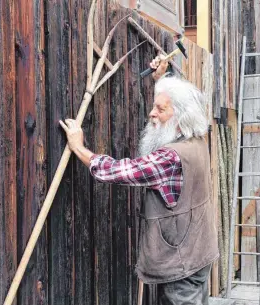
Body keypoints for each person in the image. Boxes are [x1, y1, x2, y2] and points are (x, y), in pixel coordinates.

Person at [60, 55, 219, 305]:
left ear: (180, 118)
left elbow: (119, 171)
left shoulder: (171, 158)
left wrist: (79, 147)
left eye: (160, 109)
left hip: (183, 261)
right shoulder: (197, 137)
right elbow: (185, 101)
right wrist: (160, 79)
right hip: (199, 252)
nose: (151, 113)